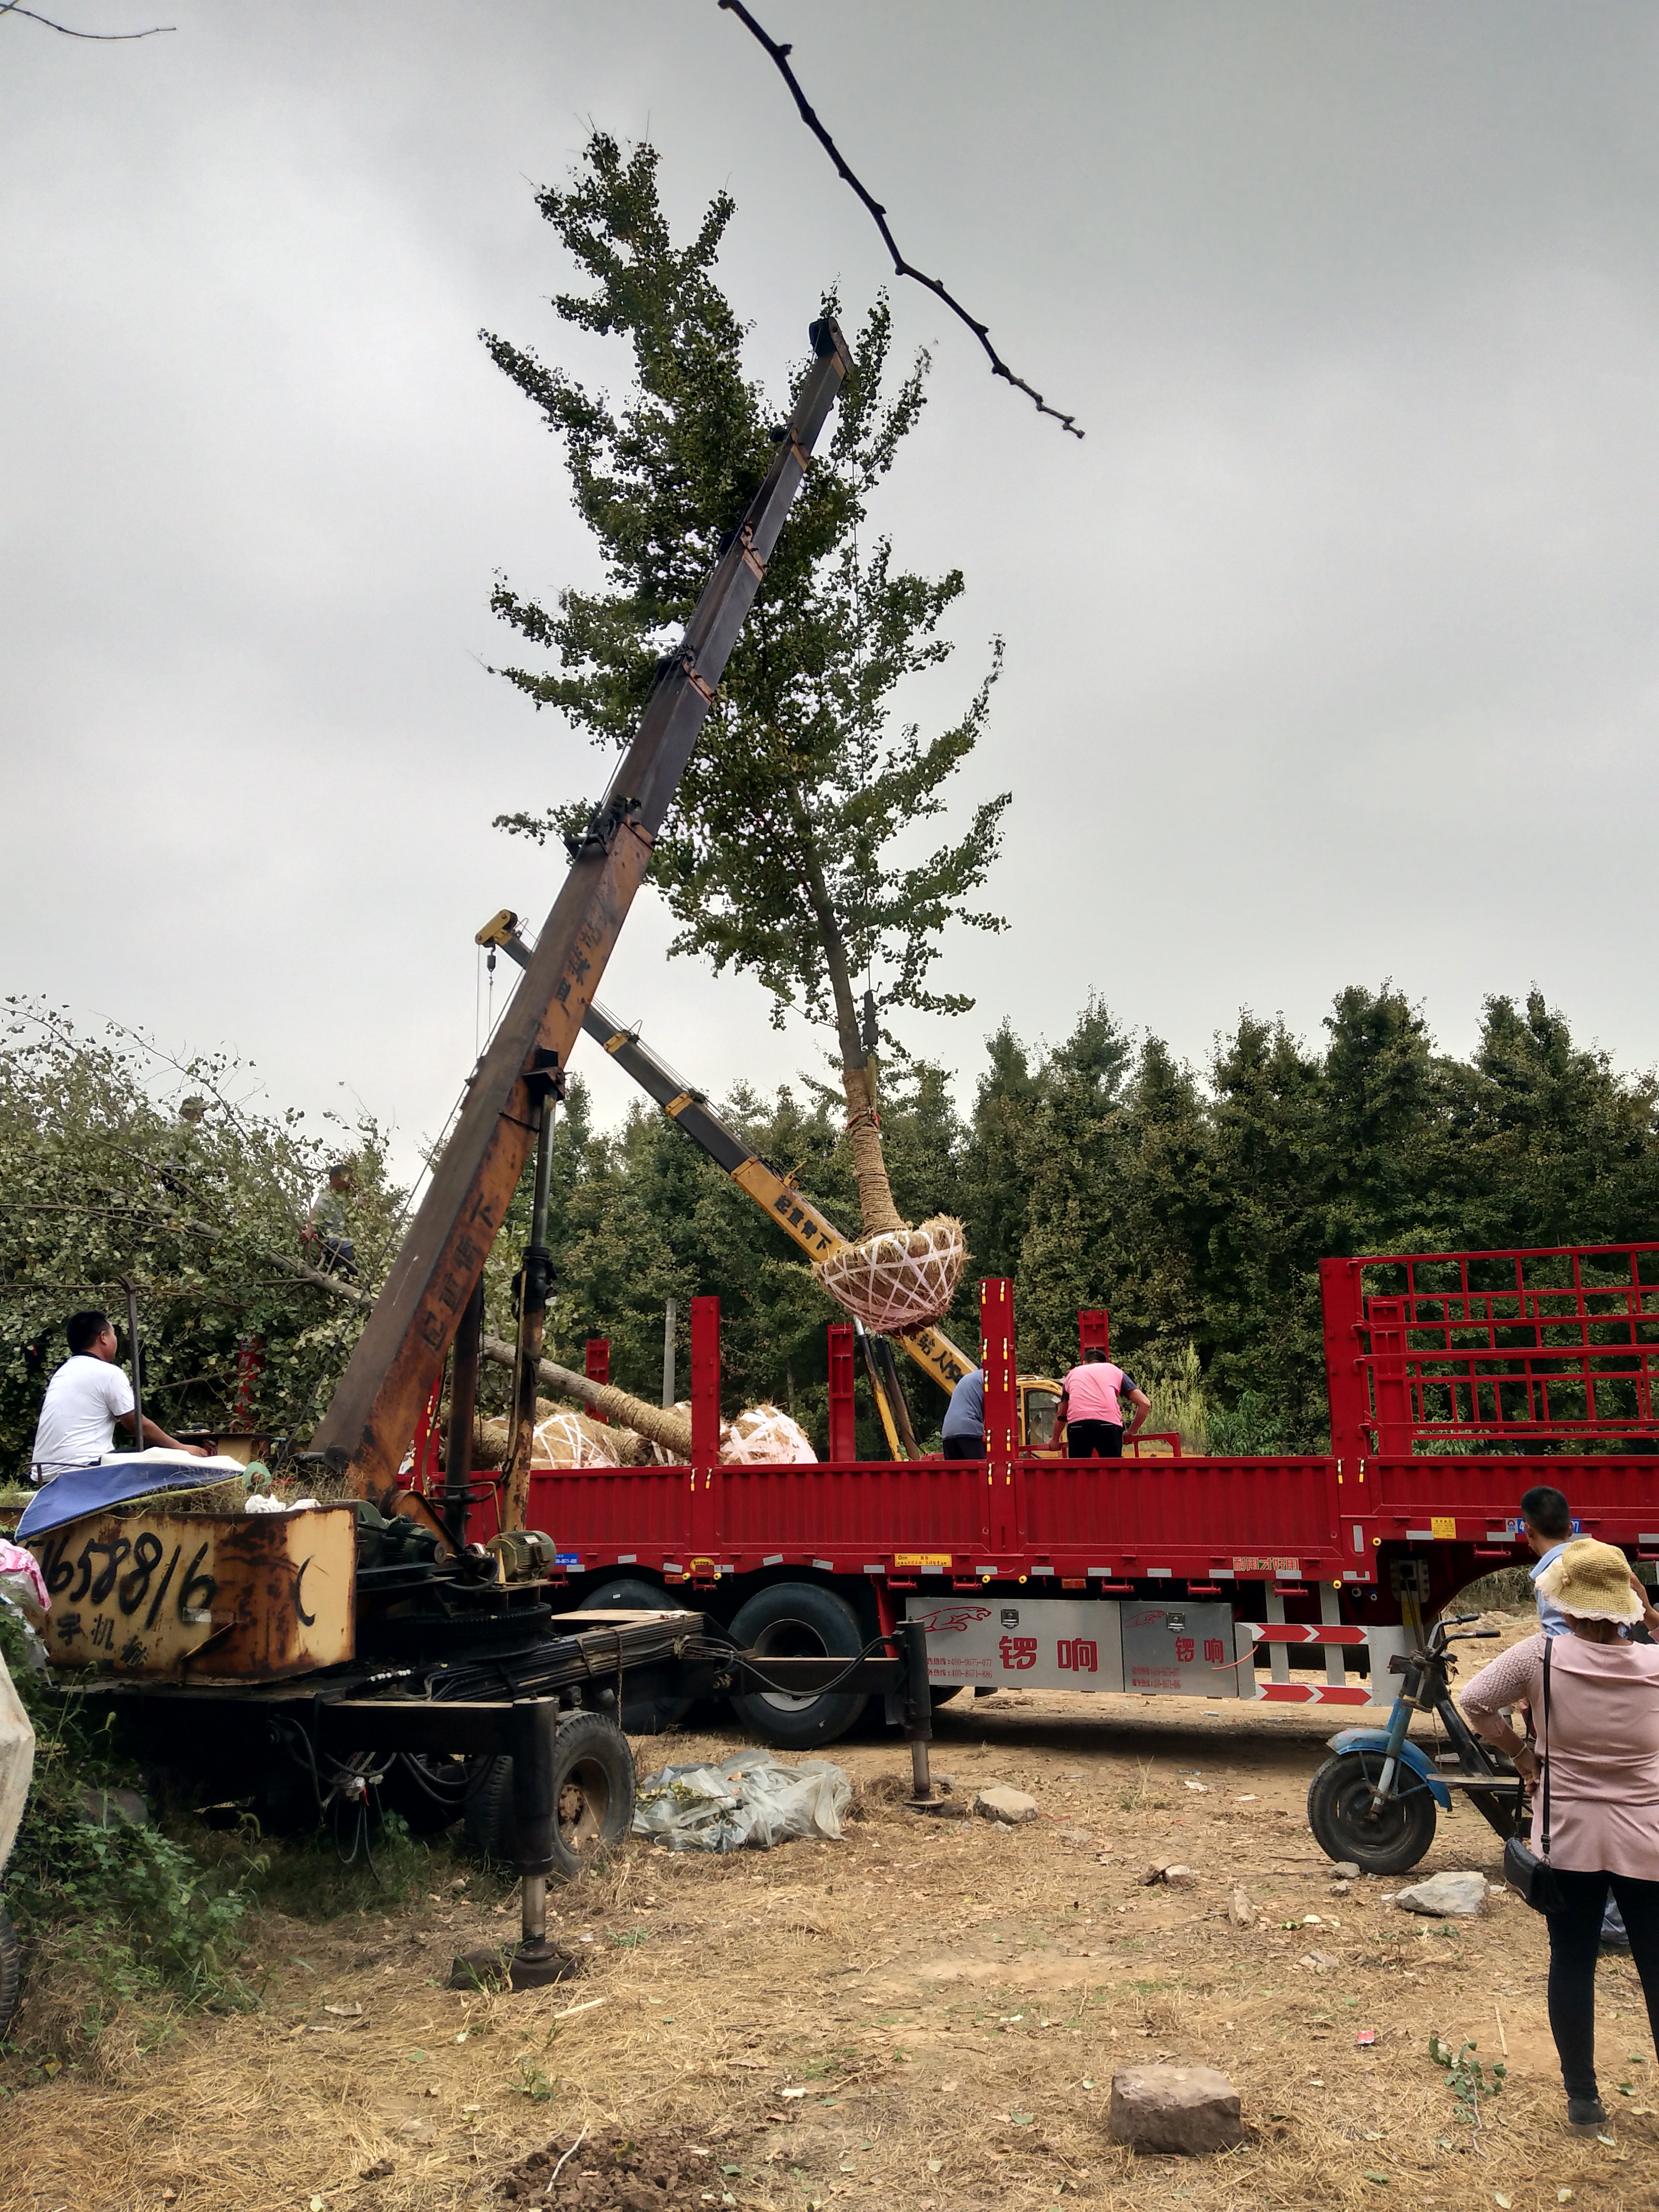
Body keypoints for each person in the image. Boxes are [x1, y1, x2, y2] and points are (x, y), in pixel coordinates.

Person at [1461, 1539, 1659, 2136]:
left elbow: (1475, 1701)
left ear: (1564, 1604)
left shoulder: (1538, 1657)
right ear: (1626, 1604)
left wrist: (1522, 1754)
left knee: (1571, 1962)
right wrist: (1653, 1618)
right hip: (1648, 1840)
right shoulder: (1654, 1664)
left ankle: (1583, 2102)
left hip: (1568, 1837)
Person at [28, 1310, 209, 1485]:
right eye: (113, 1334)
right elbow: (139, 1426)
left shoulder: (63, 1373)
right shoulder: (107, 1373)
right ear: (103, 1337)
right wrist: (182, 1448)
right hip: (82, 1469)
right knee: (168, 1462)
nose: (116, 1340)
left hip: (44, 1473)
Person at [1052, 1346, 1150, 1459]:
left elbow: (1062, 1414)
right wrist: (1132, 1431)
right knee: (1112, 1468)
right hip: (1109, 1425)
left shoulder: (1073, 1374)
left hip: (1079, 1426)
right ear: (1105, 1363)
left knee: (1079, 1468)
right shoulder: (1114, 1371)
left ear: (1084, 1363)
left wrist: (1055, 1440)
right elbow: (1145, 1404)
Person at [305, 1158, 357, 1279]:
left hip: (345, 1245)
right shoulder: (326, 1197)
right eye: (348, 1179)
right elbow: (314, 1215)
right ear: (335, 1179)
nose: (350, 1183)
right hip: (337, 1247)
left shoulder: (343, 1198)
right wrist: (309, 1230)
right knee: (352, 1275)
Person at [941, 1366, 984, 1459]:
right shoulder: (989, 1379)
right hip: (969, 1429)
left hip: (947, 1432)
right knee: (979, 1467)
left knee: (956, 1469)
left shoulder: (968, 1378)